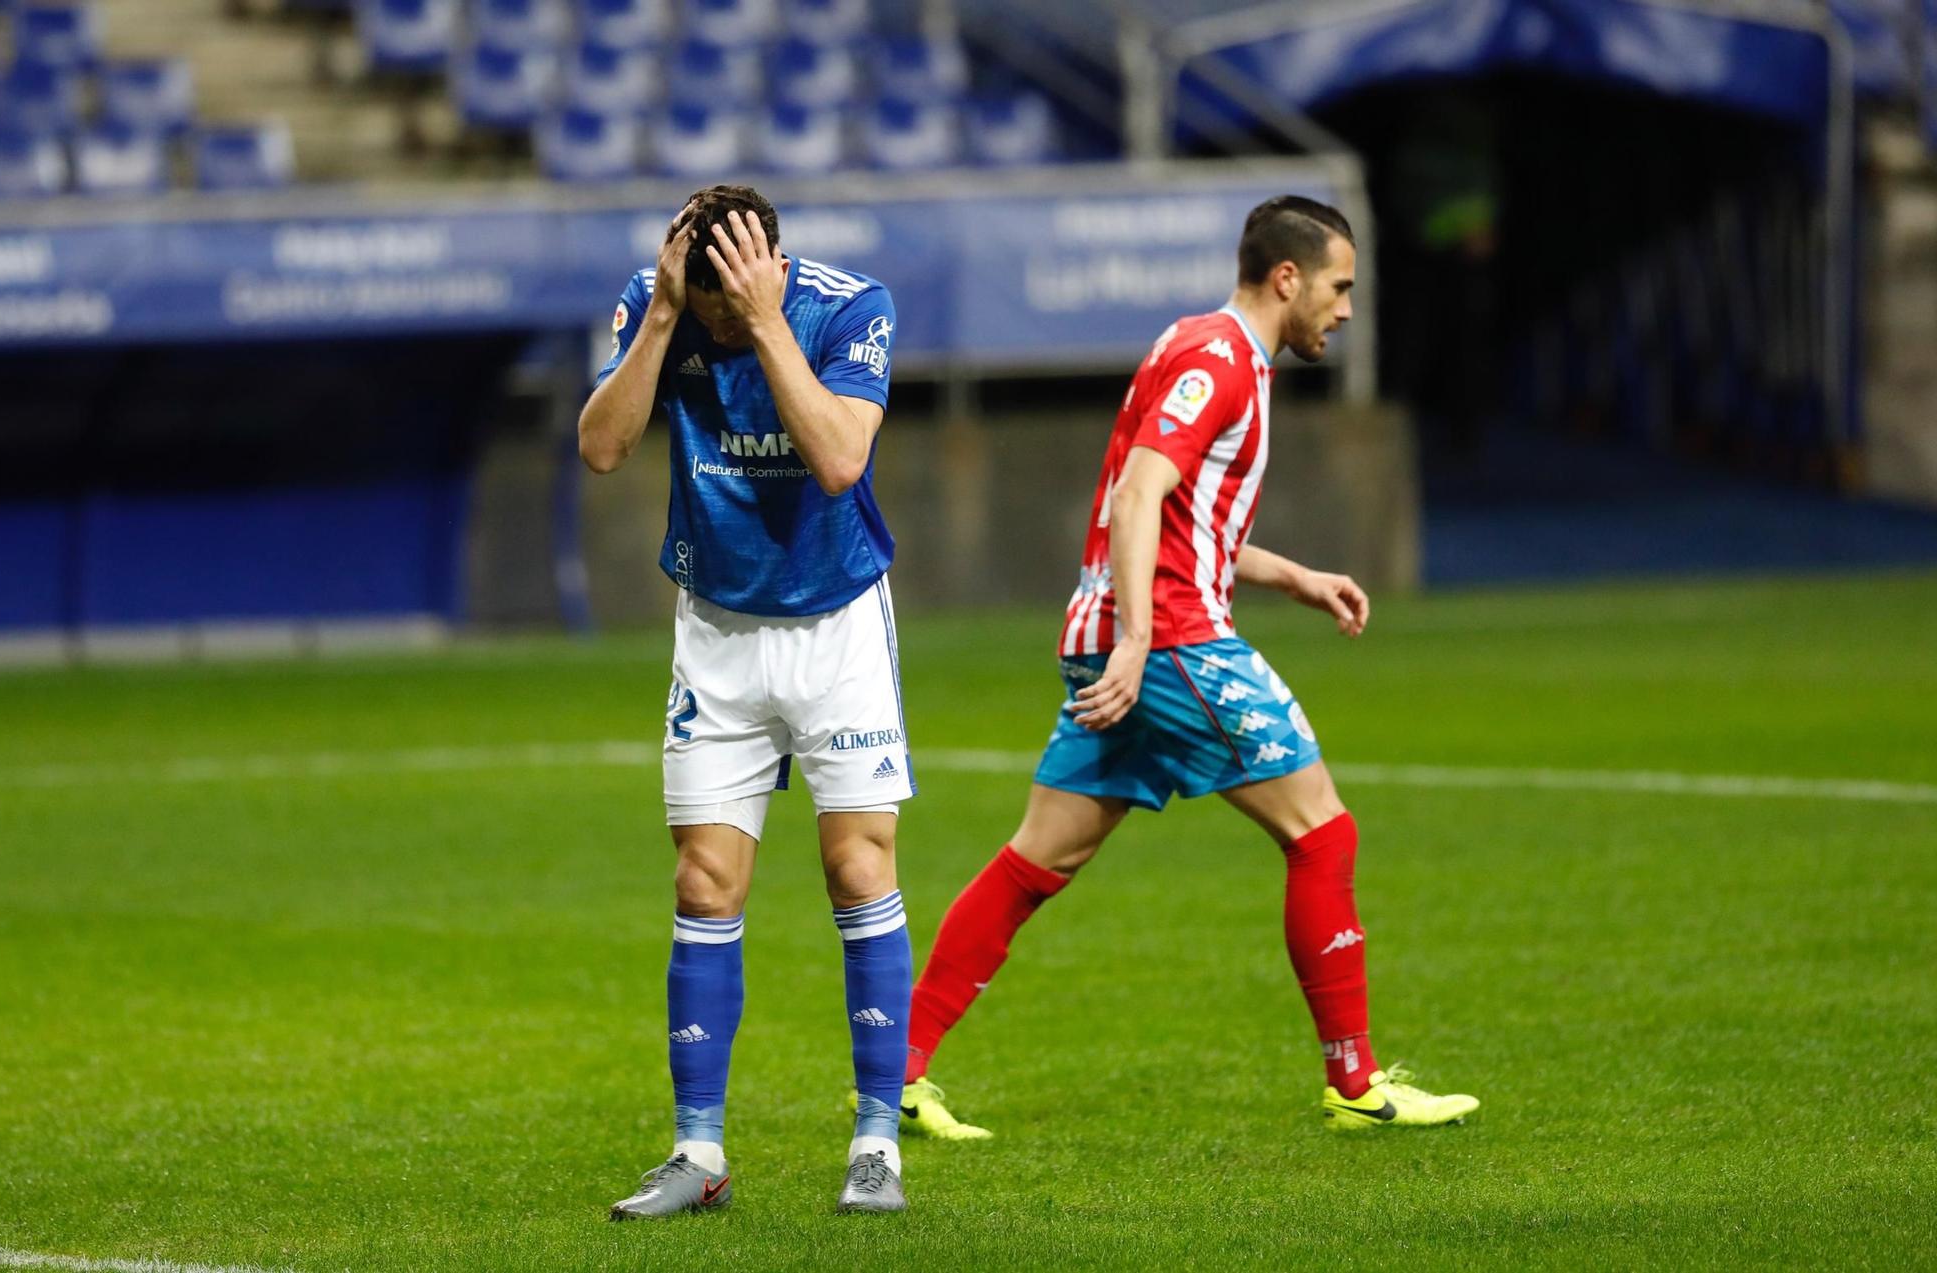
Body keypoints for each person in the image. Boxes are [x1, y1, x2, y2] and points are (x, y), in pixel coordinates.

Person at [885, 195, 1479, 1140]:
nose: (1347, 308)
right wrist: (1137, 639)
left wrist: (1291, 575)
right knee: (1322, 832)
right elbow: (1139, 490)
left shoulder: (1192, 341)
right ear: (1288, 278)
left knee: (1038, 857)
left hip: (1116, 638)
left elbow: (1180, 516)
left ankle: (895, 1077)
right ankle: (1357, 1082)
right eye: (1340, 286)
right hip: (1169, 643)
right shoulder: (1220, 365)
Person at [579, 184, 916, 1215]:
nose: (718, 318)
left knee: (857, 867)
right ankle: (698, 1151)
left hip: (836, 626)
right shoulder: (660, 299)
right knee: (701, 884)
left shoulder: (850, 309)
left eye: (734, 297)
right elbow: (601, 445)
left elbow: (836, 460)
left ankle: (873, 1144)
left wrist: (764, 325)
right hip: (717, 630)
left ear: (770, 265)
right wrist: (671, 316)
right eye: (709, 302)